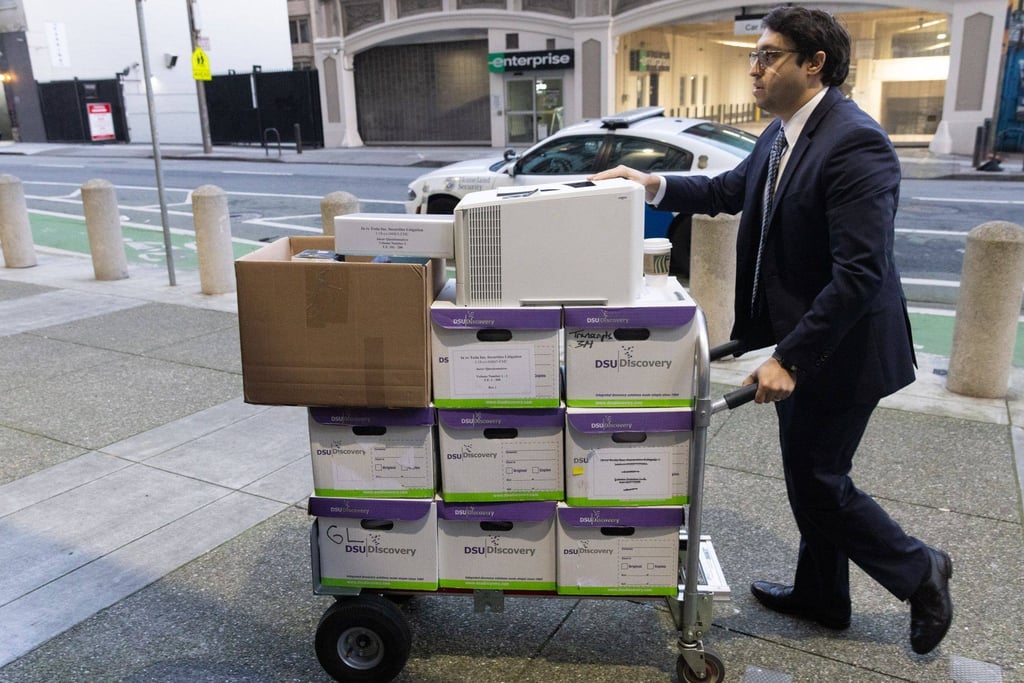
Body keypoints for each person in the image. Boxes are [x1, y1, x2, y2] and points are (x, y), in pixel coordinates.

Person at [590, 5, 953, 656]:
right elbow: (730, 189)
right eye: (752, 56)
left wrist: (790, 356)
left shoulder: (855, 142)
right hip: (809, 340)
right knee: (809, 477)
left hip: (844, 350)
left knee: (820, 483)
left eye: (768, 55)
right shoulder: (782, 134)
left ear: (814, 65)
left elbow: (860, 272)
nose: (754, 68)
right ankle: (823, 596)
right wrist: (649, 184)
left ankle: (921, 569)